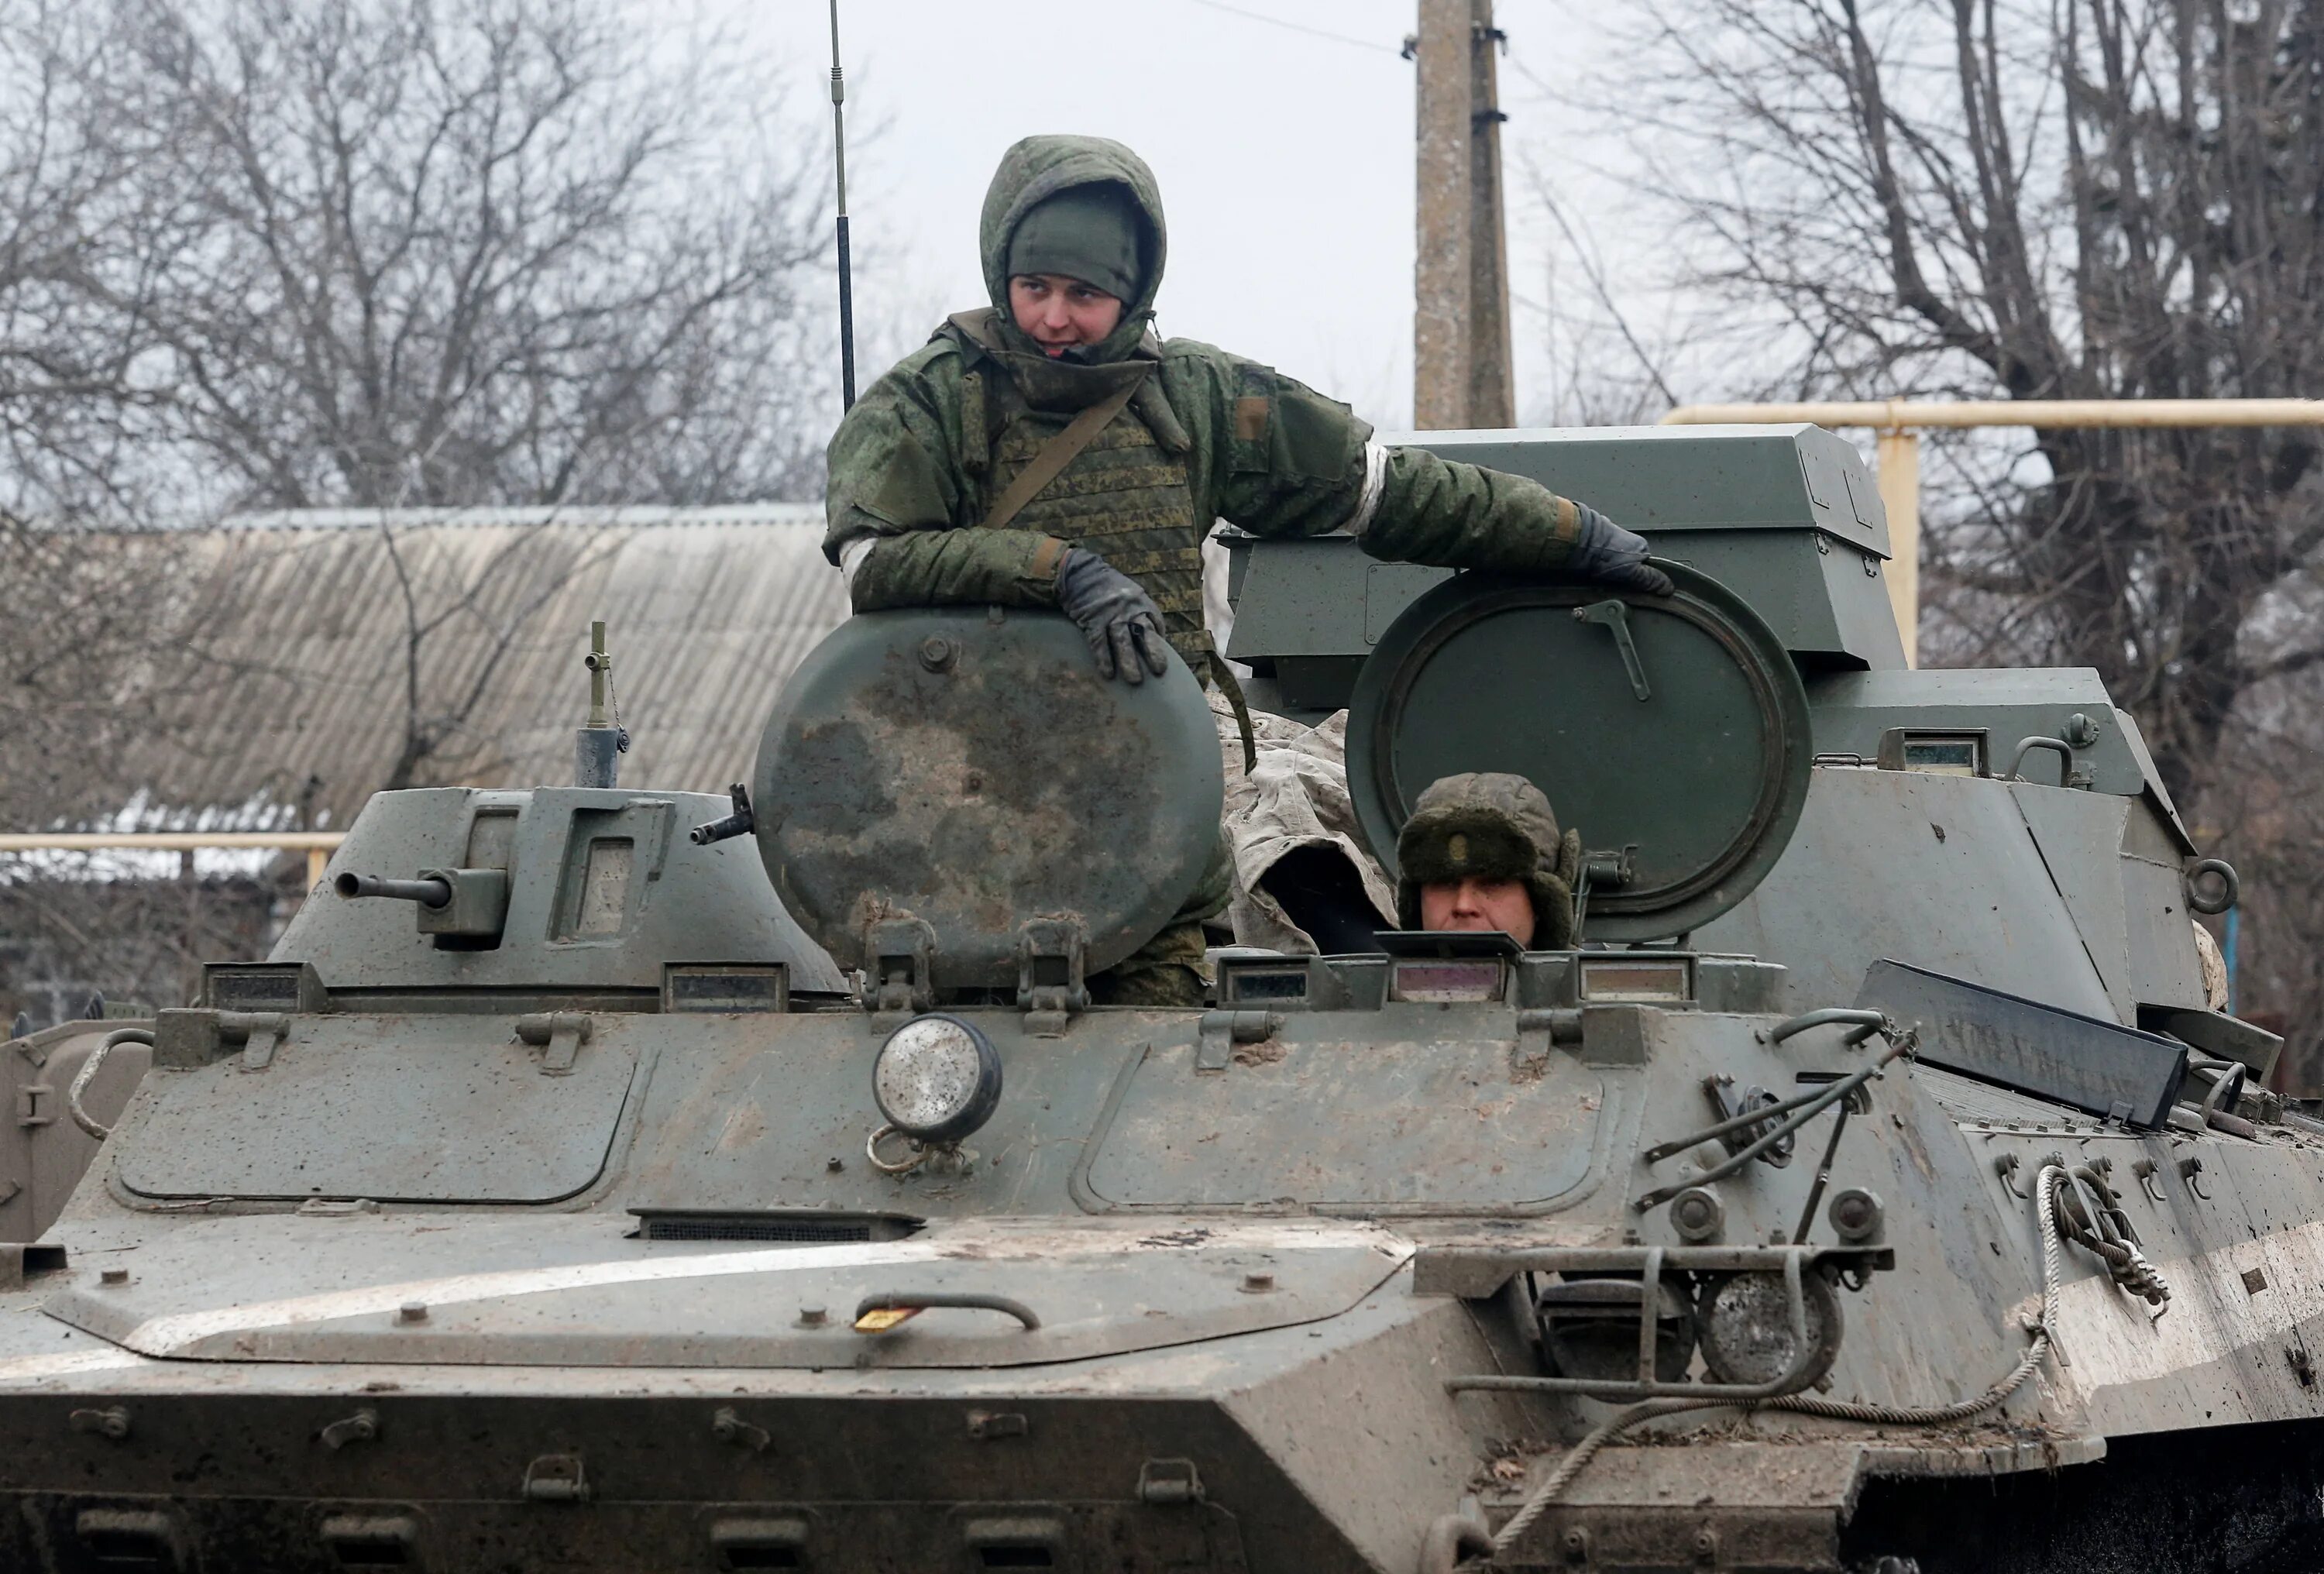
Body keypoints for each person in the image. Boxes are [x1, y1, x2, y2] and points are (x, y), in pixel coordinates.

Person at [824, 134, 1660, 1003]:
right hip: (963, 822)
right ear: (1001, 270)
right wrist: (1058, 570)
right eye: (1034, 289)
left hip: (1147, 833)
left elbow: (1384, 492)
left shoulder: (1195, 401)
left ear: (1134, 288)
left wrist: (1566, 534)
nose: (1055, 320)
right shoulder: (928, 401)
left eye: (1086, 294)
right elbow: (877, 562)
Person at [1394, 772, 1581, 950]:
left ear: (1540, 904)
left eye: (1493, 883)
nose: (1464, 906)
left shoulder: (1589, 983)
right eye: (1444, 883)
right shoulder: (1374, 981)